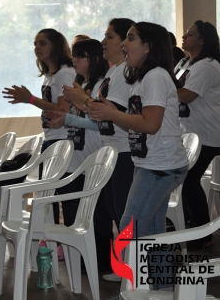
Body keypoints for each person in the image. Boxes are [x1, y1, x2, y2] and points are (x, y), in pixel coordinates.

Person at [88, 22, 188, 291]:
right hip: (151, 163)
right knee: (150, 227)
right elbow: (136, 121)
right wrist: (111, 111)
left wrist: (112, 114)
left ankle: (140, 292)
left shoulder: (155, 76)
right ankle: (161, 290)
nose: (124, 44)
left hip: (161, 166)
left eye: (130, 39)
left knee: (130, 227)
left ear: (147, 47)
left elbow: (150, 124)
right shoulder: (143, 78)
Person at [54, 19, 136, 281]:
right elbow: (101, 114)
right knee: (114, 212)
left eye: (109, 37)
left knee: (127, 216)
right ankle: (127, 270)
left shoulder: (128, 74)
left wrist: (81, 102)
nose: (104, 42)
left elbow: (108, 114)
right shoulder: (115, 72)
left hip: (124, 151)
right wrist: (74, 112)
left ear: (126, 43)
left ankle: (138, 275)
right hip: (112, 151)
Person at [45, 39, 111, 271]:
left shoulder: (100, 85)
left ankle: (100, 262)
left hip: (92, 158)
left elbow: (100, 123)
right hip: (76, 156)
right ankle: (81, 260)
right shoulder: (82, 85)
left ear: (93, 59)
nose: (74, 60)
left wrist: (69, 118)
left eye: (80, 56)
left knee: (96, 214)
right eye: (73, 55)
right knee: (73, 213)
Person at [2, 28, 75, 178]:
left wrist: (31, 99)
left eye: (43, 43)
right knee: (46, 191)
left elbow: (64, 109)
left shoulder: (65, 72)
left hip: (63, 138)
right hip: (51, 137)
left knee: (55, 192)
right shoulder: (50, 75)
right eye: (35, 44)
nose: (37, 48)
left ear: (56, 46)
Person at [175, 20, 220, 250]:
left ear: (202, 40)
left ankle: (202, 233)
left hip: (208, 135)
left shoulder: (208, 66)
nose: (184, 37)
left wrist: (159, 88)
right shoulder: (184, 63)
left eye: (190, 34)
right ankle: (188, 223)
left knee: (189, 179)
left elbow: (187, 95)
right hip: (188, 134)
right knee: (182, 178)